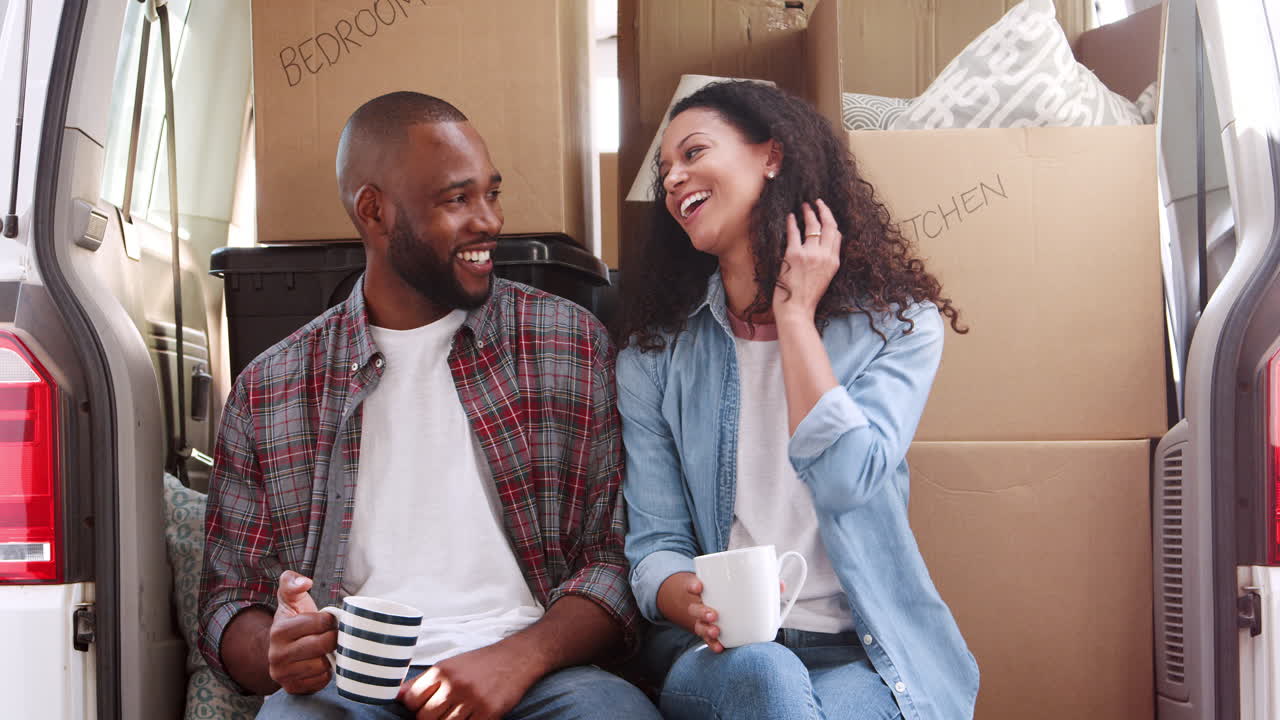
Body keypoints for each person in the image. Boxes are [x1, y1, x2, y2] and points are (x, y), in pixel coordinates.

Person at [197, 91, 659, 720]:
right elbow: (228, 597)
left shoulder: (568, 343)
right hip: (351, 684)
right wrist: (276, 651)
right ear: (374, 212)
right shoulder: (269, 387)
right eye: (456, 199)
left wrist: (518, 660)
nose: (489, 220)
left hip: (541, 674)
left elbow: (614, 556)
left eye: (491, 194)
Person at [613, 80, 980, 720]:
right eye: (665, 170)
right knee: (765, 672)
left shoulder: (899, 327)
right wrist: (689, 600)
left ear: (772, 155)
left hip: (864, 655)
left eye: (693, 153)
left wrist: (795, 318)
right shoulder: (652, 360)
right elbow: (655, 545)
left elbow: (846, 479)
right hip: (722, 655)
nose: (673, 179)